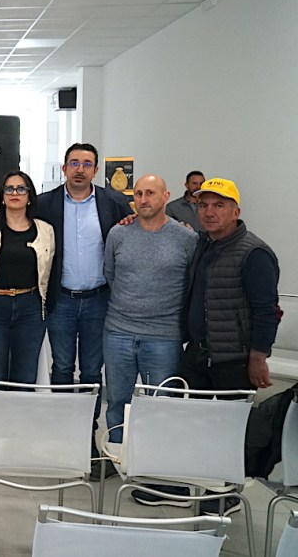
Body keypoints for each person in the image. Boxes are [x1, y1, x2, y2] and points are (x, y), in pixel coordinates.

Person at [133, 177, 279, 514]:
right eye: (204, 205)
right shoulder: (203, 243)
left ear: (235, 211)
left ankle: (223, 496)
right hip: (199, 352)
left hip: (233, 359)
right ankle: (177, 484)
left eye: (219, 205)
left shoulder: (254, 253)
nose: (210, 212)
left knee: (227, 430)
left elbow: (266, 310)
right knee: (185, 419)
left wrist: (259, 357)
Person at [36, 143, 133, 461]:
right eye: (74, 163)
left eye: (87, 164)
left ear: (96, 170)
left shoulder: (114, 202)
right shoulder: (44, 204)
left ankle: (87, 433)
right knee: (62, 367)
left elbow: (135, 233)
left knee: (92, 370)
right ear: (64, 168)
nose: (80, 169)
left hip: (99, 300)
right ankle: (63, 432)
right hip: (61, 299)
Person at [102, 175, 197, 448]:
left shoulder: (186, 238)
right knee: (117, 402)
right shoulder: (118, 234)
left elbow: (191, 283)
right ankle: (117, 455)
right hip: (118, 333)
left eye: (151, 193)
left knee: (161, 404)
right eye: (139, 193)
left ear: (166, 197)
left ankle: (154, 460)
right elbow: (110, 274)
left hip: (164, 337)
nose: (144, 199)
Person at [0, 171, 54, 430]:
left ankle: (17, 435)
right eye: (9, 189)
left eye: (21, 189)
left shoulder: (45, 230)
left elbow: (49, 273)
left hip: (31, 309)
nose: (15, 193)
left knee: (25, 378)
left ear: (30, 196)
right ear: (2, 196)